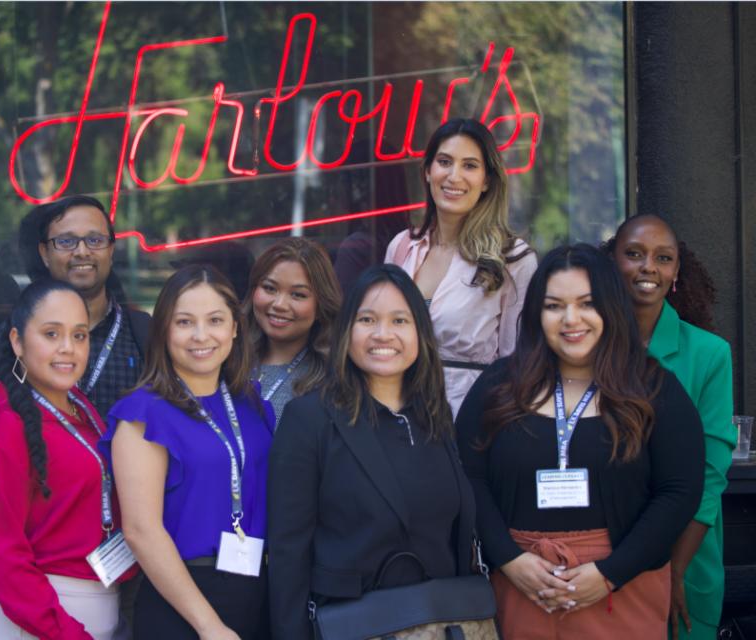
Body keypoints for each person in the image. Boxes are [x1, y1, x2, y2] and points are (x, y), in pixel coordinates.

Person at [456, 244, 705, 639]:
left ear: (611, 307)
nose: (571, 320)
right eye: (554, 306)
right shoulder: (499, 386)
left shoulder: (653, 389)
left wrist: (610, 574)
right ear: (538, 314)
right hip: (522, 586)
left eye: (587, 304)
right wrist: (508, 559)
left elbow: (679, 492)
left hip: (621, 588)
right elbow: (467, 477)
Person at [268, 264, 478, 640]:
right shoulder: (309, 419)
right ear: (346, 332)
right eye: (367, 319)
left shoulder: (435, 414)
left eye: (400, 320)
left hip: (438, 624)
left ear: (420, 333)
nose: (384, 334)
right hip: (351, 626)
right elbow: (288, 554)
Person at [102, 265, 275, 639]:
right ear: (163, 330)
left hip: (255, 592)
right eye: (184, 322)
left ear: (234, 327)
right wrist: (210, 627)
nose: (201, 336)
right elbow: (141, 531)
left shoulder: (253, 405)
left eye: (215, 320)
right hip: (183, 603)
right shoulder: (143, 414)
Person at [0, 280, 134, 639]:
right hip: (37, 625)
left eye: (79, 335)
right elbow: (2, 562)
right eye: (51, 333)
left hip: (95, 611)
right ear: (17, 341)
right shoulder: (4, 431)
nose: (67, 349)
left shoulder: (82, 410)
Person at [607, 215, 735, 640]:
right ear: (612, 262)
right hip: (604, 553)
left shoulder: (710, 354)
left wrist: (675, 569)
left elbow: (711, 473)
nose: (649, 268)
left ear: (677, 272)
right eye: (634, 255)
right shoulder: (586, 344)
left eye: (663, 258)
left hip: (686, 553)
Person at [385, 117, 537, 416]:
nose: (454, 176)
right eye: (444, 162)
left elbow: (517, 361)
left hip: (469, 416)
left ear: (487, 181)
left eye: (469, 166)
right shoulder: (401, 246)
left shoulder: (513, 258)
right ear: (427, 172)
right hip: (396, 413)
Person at [0, 195, 150, 425]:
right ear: (44, 253)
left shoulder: (143, 333)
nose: (82, 251)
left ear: (110, 250)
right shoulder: (11, 338)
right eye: (66, 242)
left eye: (95, 240)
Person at [245, 237, 341, 425]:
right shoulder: (225, 361)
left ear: (321, 305)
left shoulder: (334, 381)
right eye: (270, 288)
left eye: (298, 295)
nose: (279, 304)